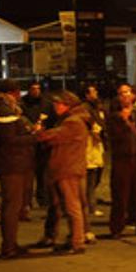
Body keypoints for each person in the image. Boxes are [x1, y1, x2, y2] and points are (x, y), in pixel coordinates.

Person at [36, 91, 91, 254]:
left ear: (68, 105)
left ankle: (77, 242)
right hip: (67, 167)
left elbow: (51, 136)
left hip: (67, 168)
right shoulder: (70, 120)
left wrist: (39, 131)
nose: (55, 107)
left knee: (72, 206)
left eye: (58, 104)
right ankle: (73, 239)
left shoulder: (73, 122)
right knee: (69, 206)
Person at [0, 80, 38, 258]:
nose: (18, 96)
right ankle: (8, 246)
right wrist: (33, 137)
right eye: (16, 92)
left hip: (15, 162)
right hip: (11, 164)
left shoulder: (6, 109)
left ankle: (11, 243)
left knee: (14, 204)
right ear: (10, 93)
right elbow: (9, 139)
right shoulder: (3, 111)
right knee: (12, 205)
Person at [107, 82, 136, 237]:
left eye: (128, 92)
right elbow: (113, 137)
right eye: (122, 93)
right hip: (123, 160)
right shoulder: (113, 116)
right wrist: (123, 121)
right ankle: (117, 227)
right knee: (120, 195)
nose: (125, 95)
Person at [22, 81, 49, 209]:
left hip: (42, 143)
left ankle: (42, 198)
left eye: (38, 89)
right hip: (28, 143)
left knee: (42, 173)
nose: (36, 91)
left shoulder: (46, 104)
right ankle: (27, 200)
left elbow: (52, 120)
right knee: (28, 174)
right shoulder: (22, 104)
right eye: (33, 89)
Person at [83, 84, 106, 219]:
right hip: (90, 147)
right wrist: (95, 130)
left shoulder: (97, 107)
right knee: (90, 179)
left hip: (98, 147)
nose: (95, 93)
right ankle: (90, 206)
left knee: (95, 176)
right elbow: (93, 125)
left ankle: (89, 203)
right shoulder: (86, 108)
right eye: (92, 92)